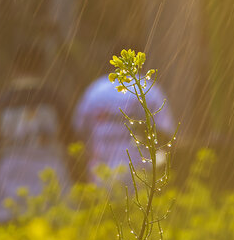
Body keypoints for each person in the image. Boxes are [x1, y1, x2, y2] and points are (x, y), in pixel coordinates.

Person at [0, 44, 74, 223]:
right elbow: (73, 145)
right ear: (43, 67)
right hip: (52, 185)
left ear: (14, 68)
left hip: (9, 187)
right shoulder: (55, 100)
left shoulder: (1, 103)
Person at [72, 47, 175, 184]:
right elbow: (165, 134)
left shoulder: (95, 90)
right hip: (139, 175)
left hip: (100, 175)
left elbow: (78, 129)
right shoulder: (150, 89)